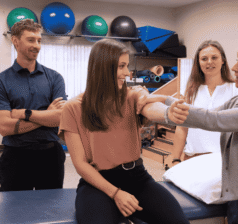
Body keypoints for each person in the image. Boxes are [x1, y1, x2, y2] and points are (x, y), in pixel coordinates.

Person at [59, 38, 189, 224]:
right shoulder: (73, 108)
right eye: (121, 66)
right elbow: (80, 165)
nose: (127, 73)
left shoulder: (132, 96)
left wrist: (169, 111)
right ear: (103, 67)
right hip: (98, 183)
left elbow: (151, 107)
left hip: (138, 178)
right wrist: (116, 194)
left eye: (127, 66)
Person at [159, 41, 238, 223]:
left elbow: (214, 120)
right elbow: (209, 114)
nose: (234, 68)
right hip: (236, 200)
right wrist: (159, 101)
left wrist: (161, 102)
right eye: (236, 62)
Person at [0, 19, 67, 191]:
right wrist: (46, 115)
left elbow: (60, 117)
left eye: (39, 40)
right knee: (15, 212)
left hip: (50, 156)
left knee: (49, 212)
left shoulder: (55, 78)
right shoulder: (2, 80)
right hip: (15, 157)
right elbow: (5, 127)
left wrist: (24, 113)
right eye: (31, 40)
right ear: (15, 41)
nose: (37, 45)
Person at [171, 40, 238, 167]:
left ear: (223, 60)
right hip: (193, 158)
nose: (209, 62)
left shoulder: (236, 89)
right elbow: (182, 127)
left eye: (214, 57)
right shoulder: (189, 91)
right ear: (198, 62)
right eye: (204, 58)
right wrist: (175, 159)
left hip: (225, 160)